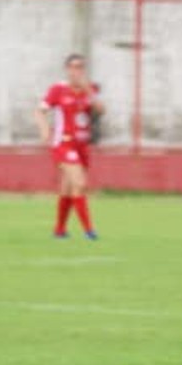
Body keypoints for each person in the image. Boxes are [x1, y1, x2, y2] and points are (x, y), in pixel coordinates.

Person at [36, 53, 104, 240]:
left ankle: (59, 231)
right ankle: (89, 231)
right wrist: (44, 130)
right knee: (79, 183)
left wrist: (88, 90)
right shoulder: (58, 89)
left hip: (82, 146)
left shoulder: (89, 90)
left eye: (80, 67)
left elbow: (101, 110)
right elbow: (40, 111)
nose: (77, 71)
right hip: (64, 144)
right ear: (67, 69)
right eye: (73, 67)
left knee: (67, 188)